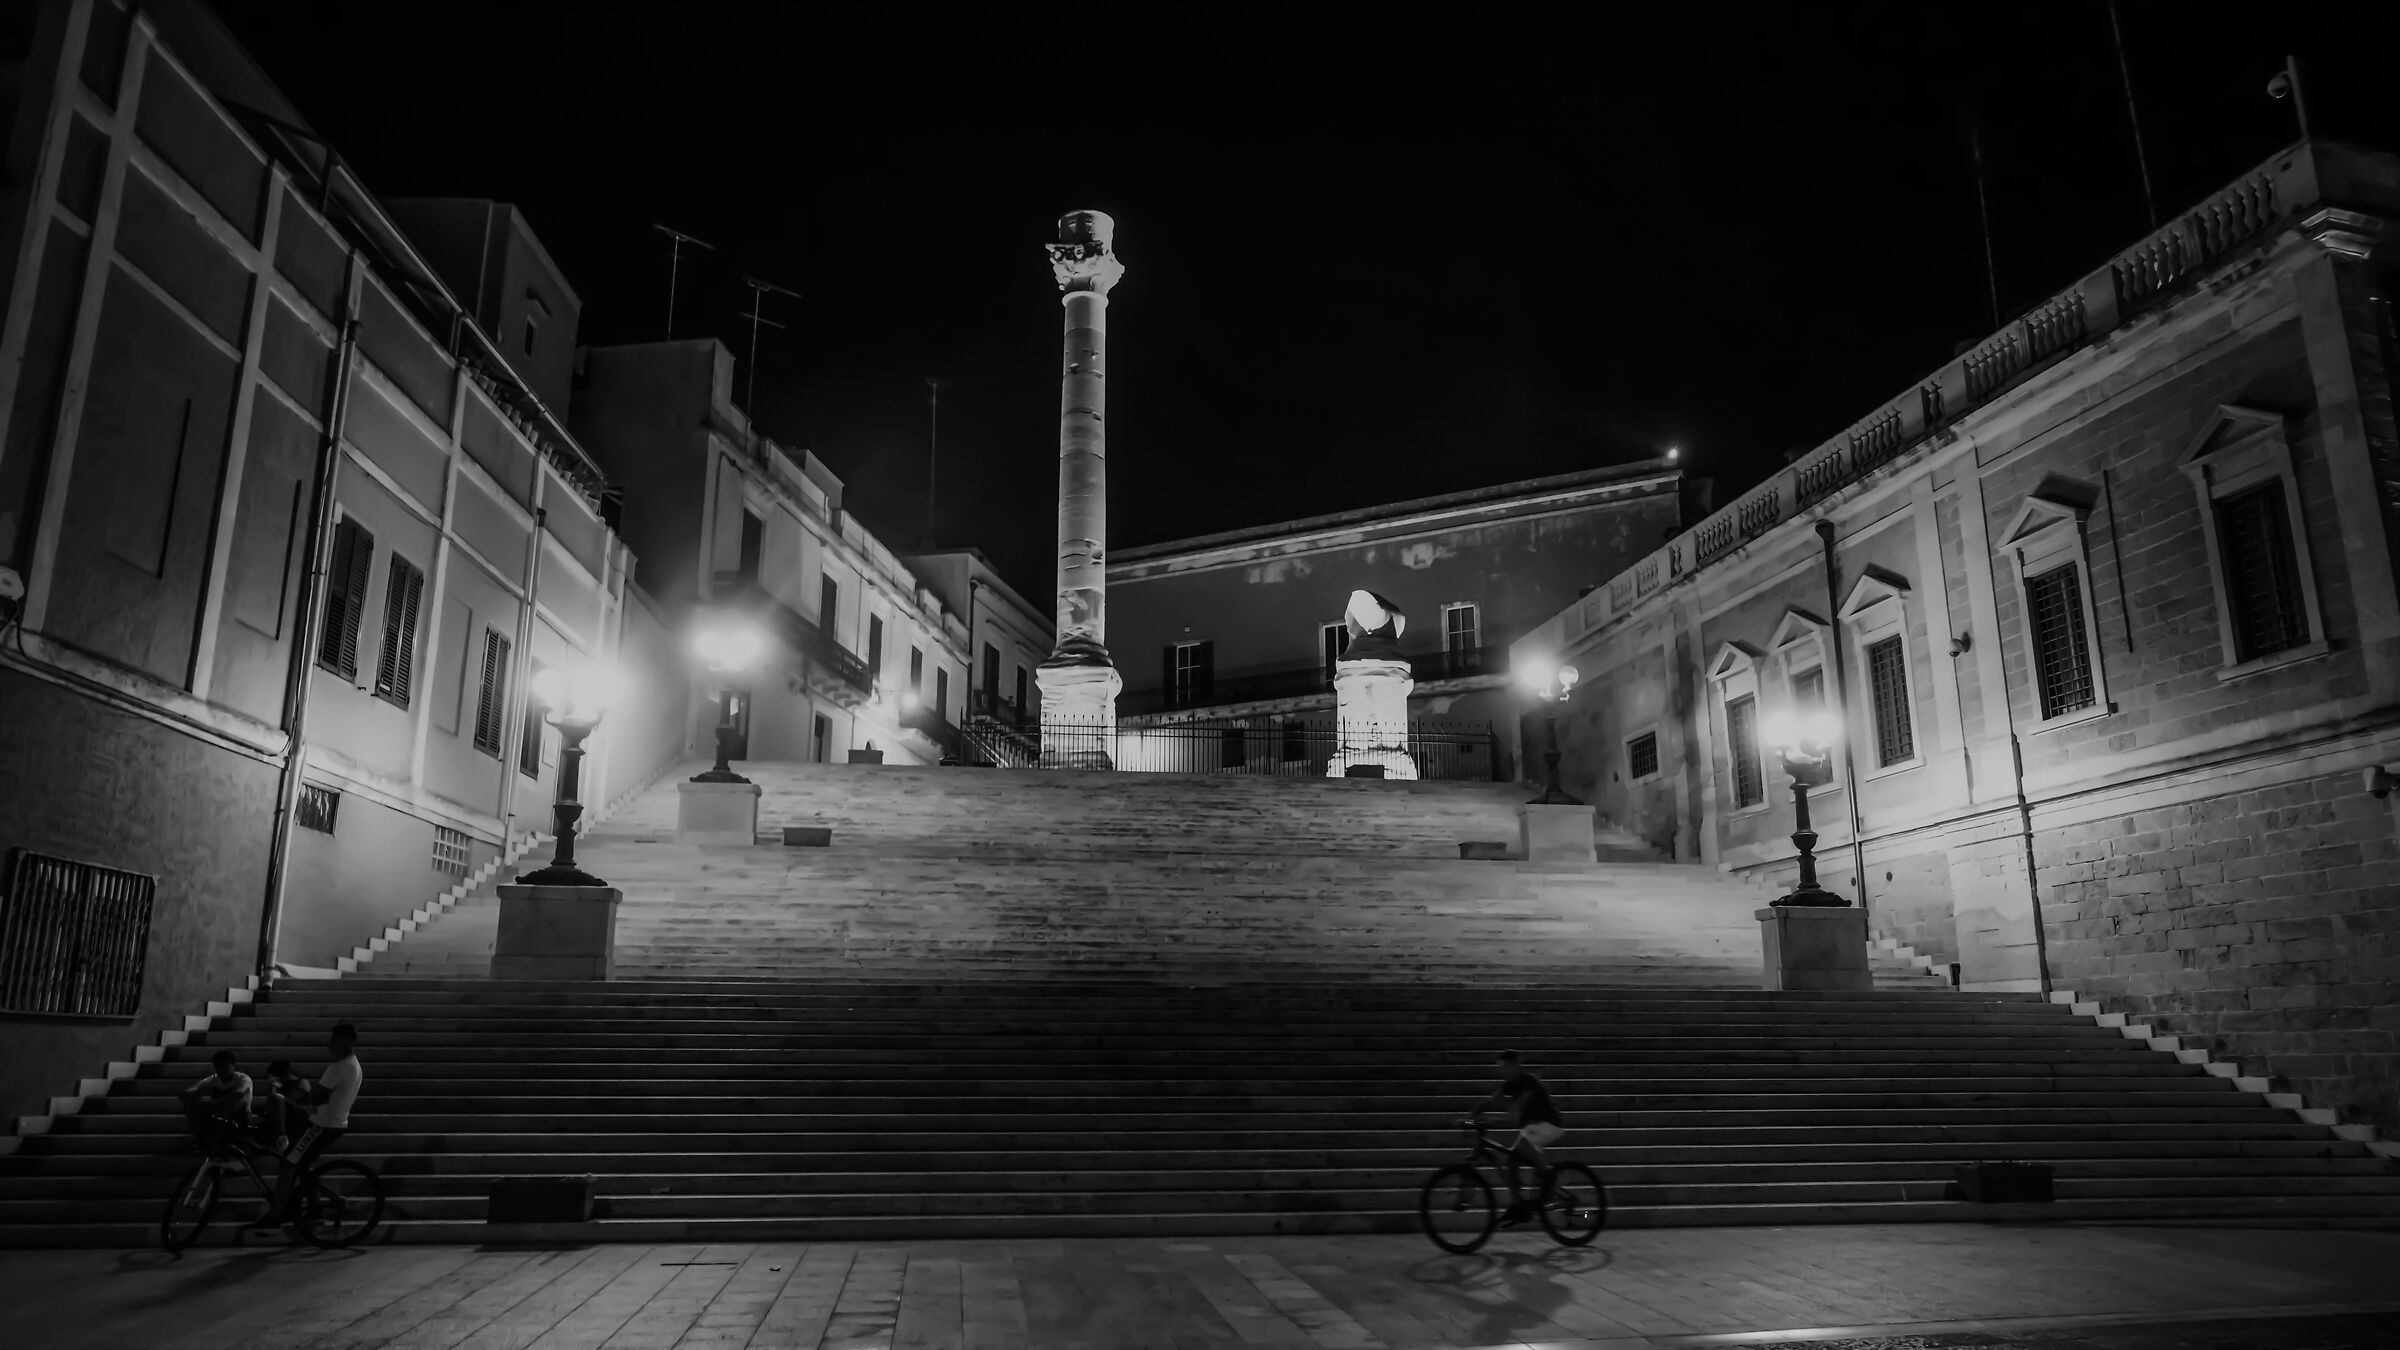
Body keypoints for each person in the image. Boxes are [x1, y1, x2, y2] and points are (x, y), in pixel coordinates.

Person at [249, 1023, 363, 1232]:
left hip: (321, 1125)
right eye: (331, 1040)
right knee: (302, 1164)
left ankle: (275, 1217)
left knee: (288, 1165)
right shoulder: (354, 1064)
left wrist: (305, 1102)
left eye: (335, 1040)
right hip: (334, 1123)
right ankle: (314, 1206)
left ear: (348, 1041)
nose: (330, 1045)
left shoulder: (338, 1068)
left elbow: (315, 1097)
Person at [1469, 1049, 1564, 1226]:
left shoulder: (1529, 1082)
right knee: (1511, 1163)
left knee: (1525, 1146)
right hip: (1531, 1128)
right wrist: (1471, 1117)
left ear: (1516, 1065)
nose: (1502, 1071)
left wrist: (1490, 1120)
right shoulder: (1508, 1085)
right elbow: (1490, 1100)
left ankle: (1549, 1176)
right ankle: (1518, 1207)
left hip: (1549, 1124)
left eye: (1505, 1067)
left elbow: (1513, 1116)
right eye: (1499, 1068)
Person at [178, 1051, 253, 1145]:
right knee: (193, 1105)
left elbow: (240, 1092)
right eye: (218, 1066)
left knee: (232, 1100)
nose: (221, 1069)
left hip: (239, 1115)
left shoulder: (243, 1079)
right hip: (217, 1113)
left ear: (234, 1066)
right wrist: (188, 1094)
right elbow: (195, 1089)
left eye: (225, 1066)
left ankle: (213, 1137)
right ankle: (200, 1137)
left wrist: (215, 1103)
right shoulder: (213, 1079)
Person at [260, 1059, 309, 1153]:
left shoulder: (301, 1082)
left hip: (301, 1115)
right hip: (287, 1116)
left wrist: (274, 1089)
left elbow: (291, 1099)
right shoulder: (281, 1086)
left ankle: (282, 1136)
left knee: (276, 1098)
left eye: (275, 1076)